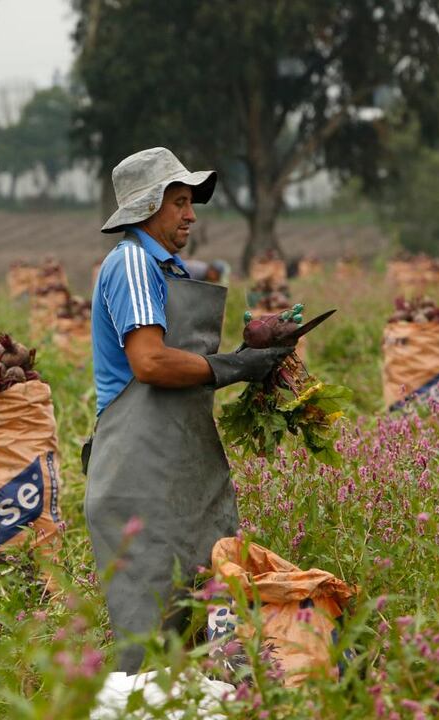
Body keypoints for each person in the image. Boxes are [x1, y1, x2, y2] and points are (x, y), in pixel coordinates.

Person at [84, 147, 294, 673]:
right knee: (152, 638)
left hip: (174, 468)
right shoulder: (132, 263)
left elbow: (182, 365)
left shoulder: (165, 267)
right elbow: (151, 362)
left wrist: (248, 356)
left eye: (189, 202)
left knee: (201, 617)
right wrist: (233, 367)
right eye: (179, 202)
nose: (191, 215)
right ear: (147, 207)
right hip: (140, 473)